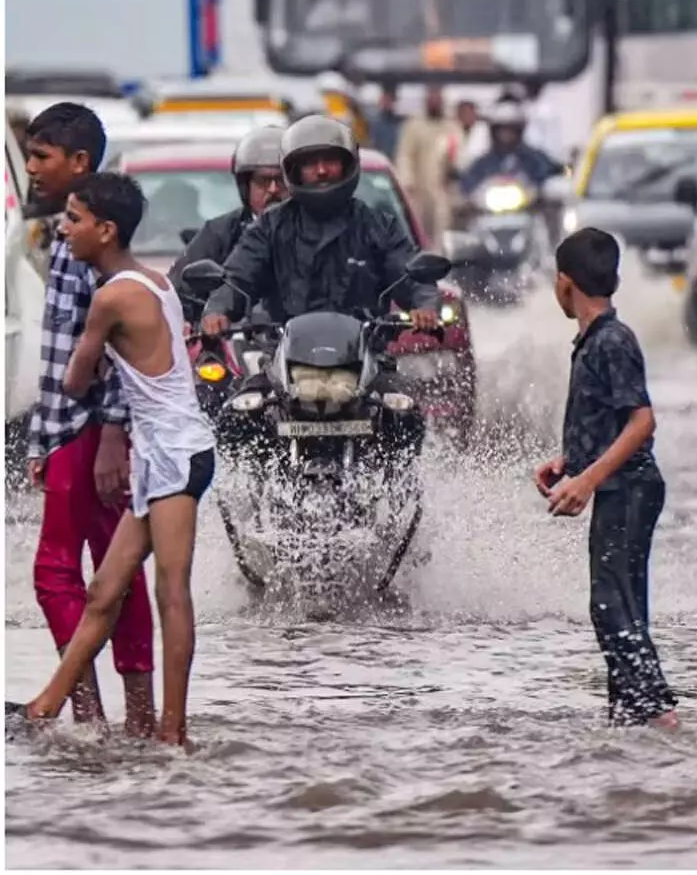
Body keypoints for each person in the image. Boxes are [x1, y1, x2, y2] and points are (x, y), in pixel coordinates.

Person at [19, 173, 217, 747]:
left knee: (170, 592)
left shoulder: (110, 297)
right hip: (161, 456)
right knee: (105, 591)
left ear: (106, 231)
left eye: (75, 219)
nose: (65, 228)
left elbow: (74, 381)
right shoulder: (152, 281)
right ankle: (44, 707)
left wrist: (89, 341)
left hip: (177, 455)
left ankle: (172, 734)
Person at [19, 102, 155, 735]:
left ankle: (90, 713)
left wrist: (110, 435)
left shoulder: (91, 245)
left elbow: (119, 357)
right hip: (69, 431)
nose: (30, 169)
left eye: (41, 157)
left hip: (91, 430)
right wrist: (42, 440)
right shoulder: (67, 236)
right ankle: (131, 718)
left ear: (79, 164)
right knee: (110, 574)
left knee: (61, 572)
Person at [533, 228, 677, 727]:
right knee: (622, 604)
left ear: (564, 283)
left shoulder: (613, 341)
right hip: (619, 484)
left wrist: (588, 480)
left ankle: (658, 714)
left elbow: (642, 421)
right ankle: (630, 715)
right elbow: (608, 421)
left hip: (630, 488)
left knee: (610, 603)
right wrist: (568, 464)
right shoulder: (596, 340)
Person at [201, 116, 442, 335]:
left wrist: (425, 306)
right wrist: (218, 310)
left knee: (407, 384)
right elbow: (239, 275)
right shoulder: (270, 225)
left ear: (348, 165)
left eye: (330, 161)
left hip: (365, 356)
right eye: (311, 163)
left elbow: (409, 272)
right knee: (244, 384)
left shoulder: (378, 226)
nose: (321, 170)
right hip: (284, 356)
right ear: (294, 170)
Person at [169, 125, 287, 324]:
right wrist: (207, 317)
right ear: (245, 186)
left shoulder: (317, 230)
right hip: (236, 346)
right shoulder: (219, 233)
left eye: (281, 180)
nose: (273, 190)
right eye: (263, 181)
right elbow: (177, 296)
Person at [394, 84, 462, 250]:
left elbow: (459, 153)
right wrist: (407, 182)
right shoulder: (414, 125)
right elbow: (404, 155)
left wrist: (455, 168)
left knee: (443, 230)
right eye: (431, 99)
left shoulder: (451, 126)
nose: (434, 103)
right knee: (417, 231)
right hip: (418, 191)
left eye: (437, 99)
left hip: (442, 191)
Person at [458, 99, 565, 196]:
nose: (506, 135)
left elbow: (548, 176)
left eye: (511, 130)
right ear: (493, 132)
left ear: (519, 131)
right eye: (501, 130)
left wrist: (552, 179)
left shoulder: (534, 158)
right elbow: (469, 184)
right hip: (488, 212)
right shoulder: (484, 162)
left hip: (531, 211)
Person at [367, 84, 404, 157]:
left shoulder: (400, 123)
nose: (386, 103)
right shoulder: (375, 122)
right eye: (384, 100)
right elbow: (372, 143)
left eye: (388, 100)